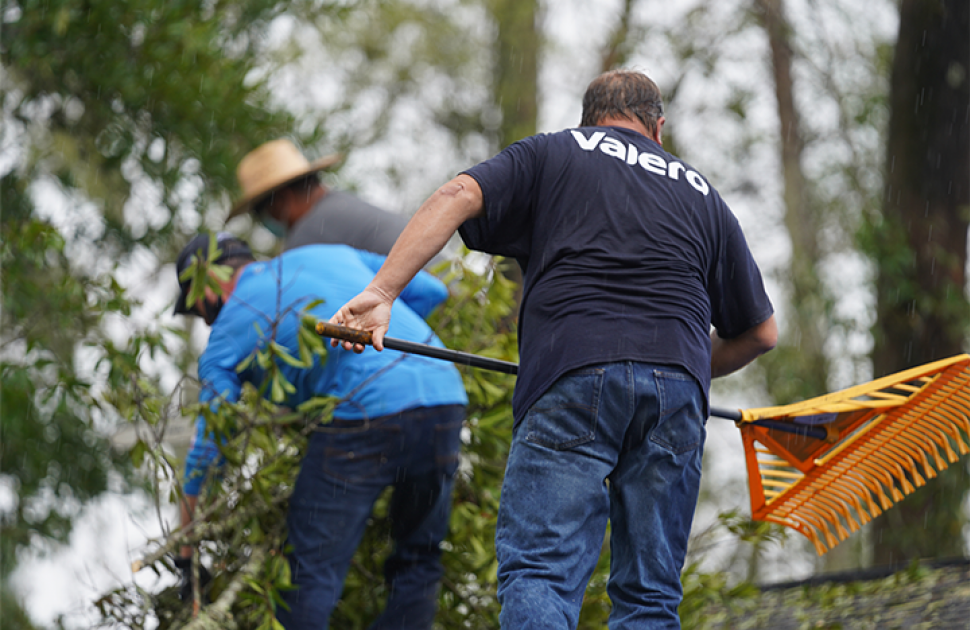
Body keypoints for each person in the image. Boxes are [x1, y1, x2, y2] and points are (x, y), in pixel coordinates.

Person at [328, 69, 778, 629]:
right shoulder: (703, 195)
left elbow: (458, 193)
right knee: (651, 597)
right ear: (657, 127)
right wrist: (673, 367)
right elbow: (761, 333)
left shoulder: (556, 151)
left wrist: (381, 291)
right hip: (678, 391)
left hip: (573, 371)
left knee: (542, 574)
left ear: (589, 119)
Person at [172, 231, 468, 629]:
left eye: (200, 311)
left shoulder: (225, 333)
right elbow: (432, 290)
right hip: (443, 394)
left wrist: (185, 552)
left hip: (365, 414)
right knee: (419, 560)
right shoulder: (326, 252)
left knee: (309, 575)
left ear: (207, 287)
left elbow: (210, 447)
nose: (207, 321)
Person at [225, 138, 411, 254]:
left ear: (282, 201)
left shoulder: (309, 235)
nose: (265, 222)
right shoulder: (341, 206)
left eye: (263, 213)